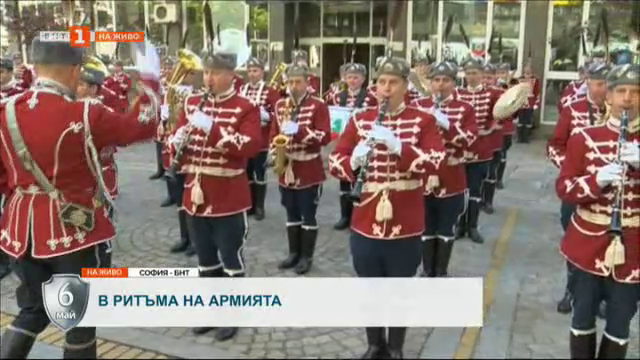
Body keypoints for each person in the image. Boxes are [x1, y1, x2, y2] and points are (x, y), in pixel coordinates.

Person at [0, 37, 160, 359]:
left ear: (34, 68)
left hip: (20, 231)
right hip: (73, 233)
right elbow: (143, 126)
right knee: (80, 321)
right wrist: (151, 82)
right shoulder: (85, 113)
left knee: (32, 309)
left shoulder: (6, 111)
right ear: (75, 72)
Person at [329, 56, 446, 359]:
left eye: (393, 82)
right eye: (381, 82)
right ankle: (374, 343)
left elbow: (436, 162)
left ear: (406, 86)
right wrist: (353, 160)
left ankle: (395, 347)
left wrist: (399, 147)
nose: (385, 88)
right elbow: (335, 160)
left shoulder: (423, 120)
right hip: (366, 217)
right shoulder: (360, 119)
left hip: (405, 220)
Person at [169, 47, 261, 341]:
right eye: (206, 72)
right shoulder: (194, 102)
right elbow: (179, 137)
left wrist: (214, 129)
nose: (208, 78)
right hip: (195, 195)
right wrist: (176, 141)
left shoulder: (246, 107)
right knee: (205, 260)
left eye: (215, 73)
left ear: (231, 74)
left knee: (231, 258)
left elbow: (248, 147)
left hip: (228, 198)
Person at [557, 63, 639, 359]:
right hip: (588, 241)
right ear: (609, 96)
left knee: (620, 323)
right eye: (621, 91)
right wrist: (597, 180)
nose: (627, 98)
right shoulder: (585, 137)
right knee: (582, 318)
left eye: (635, 92)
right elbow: (564, 188)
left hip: (634, 247)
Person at [547, 62, 610, 315]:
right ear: (588, 84)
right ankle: (572, 290)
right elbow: (555, 146)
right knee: (576, 243)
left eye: (608, 85)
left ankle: (603, 297)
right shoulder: (573, 110)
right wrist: (573, 169)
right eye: (599, 84)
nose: (604, 90)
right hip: (577, 190)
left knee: (609, 244)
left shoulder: (627, 115)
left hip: (611, 195)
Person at [413, 61, 477, 277]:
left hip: (451, 175)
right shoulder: (419, 105)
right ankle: (426, 267)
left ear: (453, 82)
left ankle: (441, 270)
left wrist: (448, 126)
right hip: (423, 175)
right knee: (425, 225)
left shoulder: (465, 109)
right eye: (436, 80)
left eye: (446, 80)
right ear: (430, 83)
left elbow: (470, 140)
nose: (440, 85)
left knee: (446, 226)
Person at [271, 64, 331, 275]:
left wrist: (300, 130)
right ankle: (293, 253)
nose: (293, 86)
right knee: (291, 212)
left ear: (307, 82)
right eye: (290, 82)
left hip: (308, 167)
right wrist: (274, 155)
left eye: (298, 82)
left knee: (308, 214)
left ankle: (307, 256)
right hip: (287, 165)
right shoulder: (280, 105)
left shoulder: (318, 105)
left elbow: (324, 137)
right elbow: (273, 134)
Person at [456, 58, 500, 244]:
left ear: (482, 74)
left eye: (475, 73)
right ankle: (459, 226)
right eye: (468, 73)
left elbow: (502, 113)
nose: (471, 77)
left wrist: (490, 128)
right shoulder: (457, 93)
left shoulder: (491, 94)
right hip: (460, 148)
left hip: (481, 148)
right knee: (459, 190)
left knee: (475, 190)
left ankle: (472, 226)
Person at [326, 63, 375, 230]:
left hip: (362, 140)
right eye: (349, 77)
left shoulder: (371, 97)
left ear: (363, 79)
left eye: (356, 77)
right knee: (344, 177)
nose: (352, 80)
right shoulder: (337, 96)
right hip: (344, 140)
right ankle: (344, 216)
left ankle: (358, 216)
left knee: (361, 175)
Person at [239, 57, 281, 221]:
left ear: (262, 72)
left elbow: (278, 113)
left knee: (260, 173)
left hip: (262, 139)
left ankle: (260, 207)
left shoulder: (270, 91)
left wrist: (266, 115)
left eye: (255, 71)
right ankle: (249, 205)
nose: (252, 74)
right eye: (249, 71)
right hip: (245, 138)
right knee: (247, 172)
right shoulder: (242, 90)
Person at [480, 63, 504, 214]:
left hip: (493, 139)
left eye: (489, 77)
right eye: (483, 77)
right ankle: (478, 200)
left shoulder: (500, 93)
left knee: (491, 171)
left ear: (495, 78)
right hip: (479, 139)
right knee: (479, 173)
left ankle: (488, 201)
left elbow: (506, 112)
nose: (486, 81)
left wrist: (496, 123)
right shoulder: (473, 93)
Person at [494, 63, 517, 189]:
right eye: (499, 73)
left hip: (506, 128)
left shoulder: (512, 88)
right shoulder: (491, 87)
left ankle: (499, 178)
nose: (501, 76)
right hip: (493, 127)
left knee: (502, 154)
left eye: (504, 73)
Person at [516, 62, 541, 143]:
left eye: (529, 72)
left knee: (528, 121)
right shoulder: (520, 80)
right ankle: (520, 138)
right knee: (520, 121)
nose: (527, 74)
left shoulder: (535, 80)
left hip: (530, 102)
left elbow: (537, 92)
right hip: (521, 103)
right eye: (526, 72)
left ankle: (526, 138)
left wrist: (536, 103)